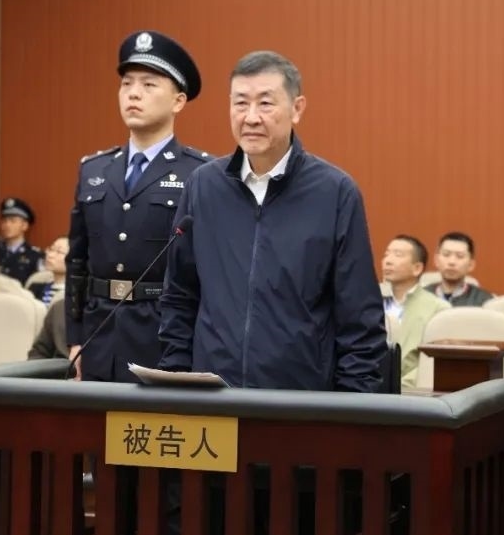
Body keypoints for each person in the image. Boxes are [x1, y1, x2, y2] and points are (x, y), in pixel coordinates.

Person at [158, 50, 386, 392]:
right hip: (212, 398)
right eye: (240, 103)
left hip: (299, 401)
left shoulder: (335, 193)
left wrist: (351, 406)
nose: (251, 117)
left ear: (297, 108)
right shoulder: (203, 186)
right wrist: (176, 383)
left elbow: (360, 319)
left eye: (265, 103)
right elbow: (179, 295)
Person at [65, 30, 210, 384]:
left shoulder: (200, 174)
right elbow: (77, 263)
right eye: (126, 83)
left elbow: (207, 273)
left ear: (178, 101)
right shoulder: (94, 170)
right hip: (99, 336)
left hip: (164, 337)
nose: (133, 93)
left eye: (148, 84)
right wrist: (75, 339)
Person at [380, 235, 449, 388]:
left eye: (398, 255)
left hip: (411, 392)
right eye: (386, 254)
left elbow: (431, 362)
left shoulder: (439, 309)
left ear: (417, 268)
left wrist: (400, 387)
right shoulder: (369, 300)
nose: (388, 260)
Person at [424, 232, 496, 306]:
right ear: (436, 260)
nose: (452, 262)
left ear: (471, 265)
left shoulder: (485, 300)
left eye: (460, 256)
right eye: (446, 254)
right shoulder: (421, 296)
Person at [0, 197, 45, 285]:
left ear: (24, 226)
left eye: (12, 221)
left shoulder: (34, 256)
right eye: (4, 221)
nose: (7, 225)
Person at [29, 236, 69, 305]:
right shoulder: (35, 289)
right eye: (51, 249)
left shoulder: (79, 295)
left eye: (59, 252)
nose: (50, 255)